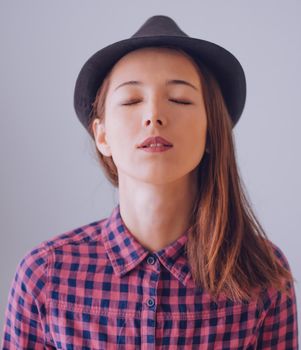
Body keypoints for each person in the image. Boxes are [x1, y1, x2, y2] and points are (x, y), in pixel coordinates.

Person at [1, 15, 298, 349]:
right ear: (102, 135)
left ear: (212, 131)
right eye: (131, 101)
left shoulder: (262, 274)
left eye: (180, 100)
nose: (153, 115)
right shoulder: (45, 275)